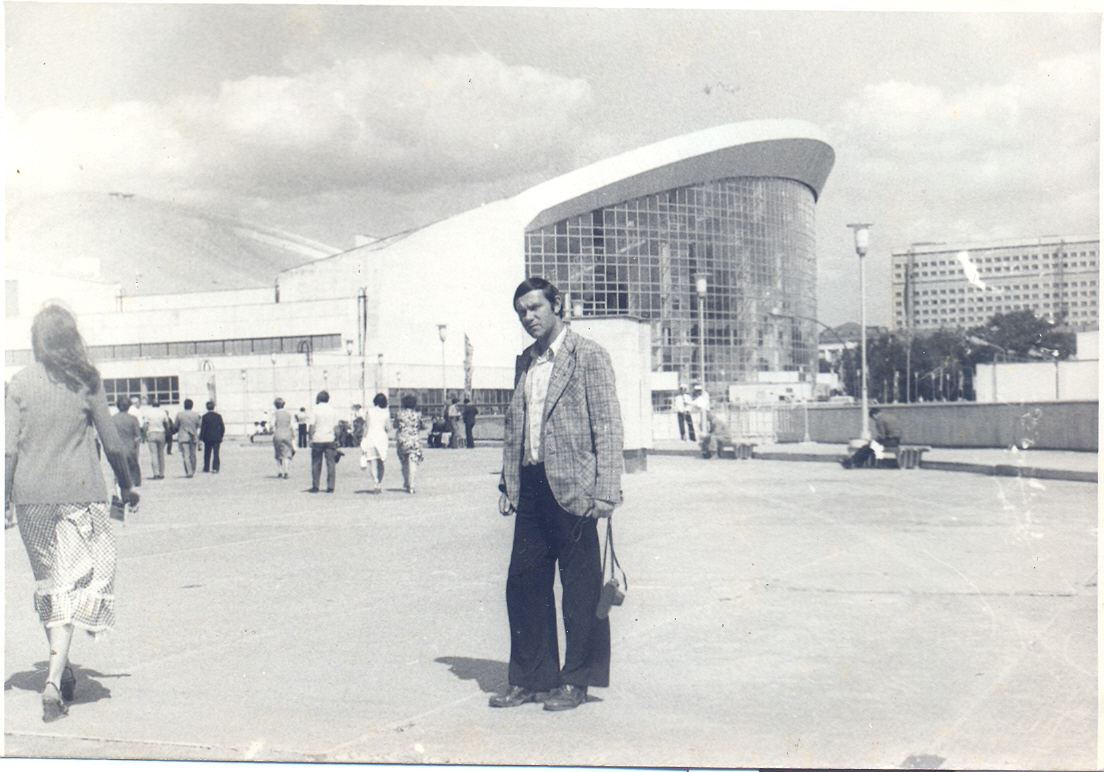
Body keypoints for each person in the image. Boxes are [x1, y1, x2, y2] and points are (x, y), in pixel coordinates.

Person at [489, 277, 623, 713]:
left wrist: (606, 490)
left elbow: (607, 426)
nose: (528, 317)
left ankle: (577, 679)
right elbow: (517, 427)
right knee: (524, 583)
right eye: (521, 312)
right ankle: (531, 678)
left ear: (557, 305)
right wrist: (508, 483)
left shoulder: (588, 356)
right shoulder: (525, 362)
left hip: (576, 490)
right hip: (531, 486)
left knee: (580, 590)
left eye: (535, 307)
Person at [5, 304, 139, 722]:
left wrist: (5, 497)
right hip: (79, 494)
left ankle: (60, 671)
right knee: (76, 582)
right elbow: (113, 443)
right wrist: (127, 485)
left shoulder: (19, 382)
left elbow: (8, 450)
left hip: (30, 498)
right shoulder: (87, 379)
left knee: (50, 583)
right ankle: (52, 680)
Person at [359, 393, 390, 493]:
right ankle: (379, 482)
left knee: (373, 461)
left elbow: (366, 426)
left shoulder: (370, 411)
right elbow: (388, 428)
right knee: (381, 461)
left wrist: (363, 439)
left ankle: (376, 482)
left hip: (371, 437)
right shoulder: (386, 412)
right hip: (381, 438)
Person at [308, 390, 338, 493]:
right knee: (331, 464)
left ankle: (315, 486)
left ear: (318, 399)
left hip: (318, 438)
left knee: (316, 463)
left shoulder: (315, 409)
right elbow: (336, 427)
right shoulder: (332, 410)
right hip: (329, 438)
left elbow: (312, 426)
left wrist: (310, 438)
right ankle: (330, 486)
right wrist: (337, 438)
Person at [394, 394, 425, 493]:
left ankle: (406, 481)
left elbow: (395, 425)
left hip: (403, 440)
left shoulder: (399, 414)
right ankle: (412, 484)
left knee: (404, 462)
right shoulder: (418, 415)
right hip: (414, 440)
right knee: (413, 462)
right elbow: (423, 426)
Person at [111, 395, 143, 491]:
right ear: (129, 406)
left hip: (117, 448)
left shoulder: (112, 419)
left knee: (118, 470)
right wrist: (136, 446)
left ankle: (119, 487)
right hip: (130, 447)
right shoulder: (133, 419)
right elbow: (138, 436)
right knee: (132, 469)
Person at [140, 397, 170, 480]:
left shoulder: (148, 412)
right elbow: (166, 424)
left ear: (151, 404)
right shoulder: (163, 412)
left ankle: (156, 473)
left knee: (154, 454)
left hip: (151, 433)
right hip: (161, 433)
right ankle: (162, 473)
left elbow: (145, 425)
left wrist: (143, 435)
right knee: (161, 454)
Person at [173, 399, 201, 478]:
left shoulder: (179, 415)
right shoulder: (196, 415)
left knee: (186, 455)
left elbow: (176, 425)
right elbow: (199, 425)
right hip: (193, 436)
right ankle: (193, 469)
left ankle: (189, 471)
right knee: (193, 454)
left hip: (183, 436)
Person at [271, 398, 296, 479]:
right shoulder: (289, 414)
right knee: (287, 453)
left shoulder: (275, 414)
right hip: (287, 434)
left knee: (278, 453)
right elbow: (292, 426)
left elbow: (271, 425)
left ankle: (280, 471)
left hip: (278, 434)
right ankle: (286, 471)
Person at [200, 401, 225, 473]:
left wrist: (201, 438)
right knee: (216, 453)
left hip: (207, 437)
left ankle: (206, 467)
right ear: (214, 407)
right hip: (216, 437)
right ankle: (215, 468)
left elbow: (203, 428)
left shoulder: (205, 417)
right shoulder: (218, 416)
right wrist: (221, 435)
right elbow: (222, 427)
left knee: (207, 453)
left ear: (206, 407)